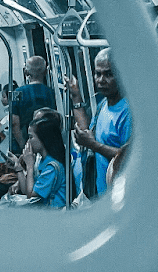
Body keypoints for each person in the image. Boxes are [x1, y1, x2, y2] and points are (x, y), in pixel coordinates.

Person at [67, 48, 131, 197]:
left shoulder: (128, 112)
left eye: (109, 74)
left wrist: (94, 145)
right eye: (98, 74)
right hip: (100, 191)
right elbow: (89, 136)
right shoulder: (103, 105)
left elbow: (129, 159)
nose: (101, 80)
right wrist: (75, 96)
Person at [14, 109, 67, 207]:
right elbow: (26, 190)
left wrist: (30, 166)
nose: (28, 142)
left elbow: (31, 196)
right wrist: (19, 169)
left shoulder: (51, 167)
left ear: (43, 139)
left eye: (31, 137)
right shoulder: (42, 161)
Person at [11, 56, 55, 152]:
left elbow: (14, 122)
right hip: (49, 142)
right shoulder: (52, 93)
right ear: (45, 72)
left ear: (26, 72)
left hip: (27, 140)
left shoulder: (17, 92)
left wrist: (23, 145)